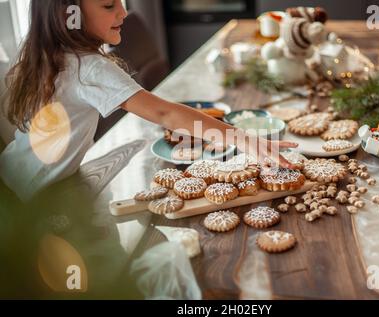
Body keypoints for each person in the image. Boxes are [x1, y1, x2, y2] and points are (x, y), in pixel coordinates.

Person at [0, 0, 298, 202]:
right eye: (108, 5)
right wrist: (244, 139)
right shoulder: (88, 68)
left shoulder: (43, 52)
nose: (123, 12)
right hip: (32, 197)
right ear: (67, 14)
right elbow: (165, 113)